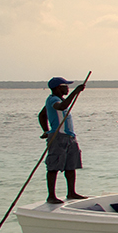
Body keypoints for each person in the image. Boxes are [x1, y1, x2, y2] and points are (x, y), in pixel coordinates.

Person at [41, 75, 87, 204]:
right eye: (65, 86)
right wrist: (76, 92)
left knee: (71, 166)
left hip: (69, 136)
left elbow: (42, 115)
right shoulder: (53, 100)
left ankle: (71, 192)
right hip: (58, 137)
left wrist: (45, 130)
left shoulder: (60, 100)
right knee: (53, 166)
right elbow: (60, 107)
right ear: (57, 88)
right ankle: (51, 196)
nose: (67, 88)